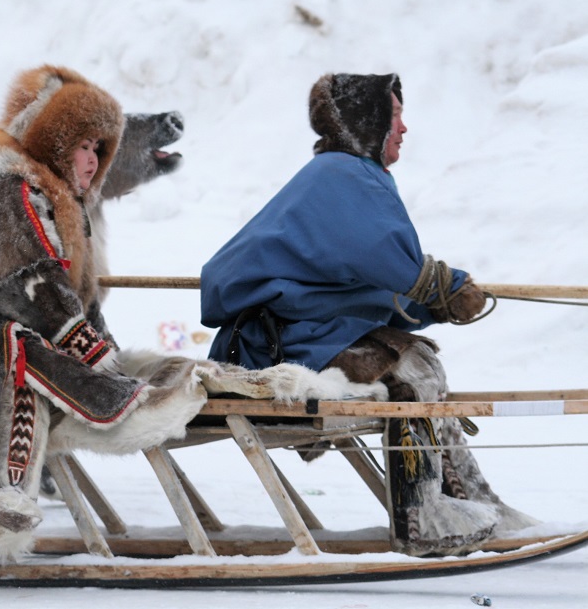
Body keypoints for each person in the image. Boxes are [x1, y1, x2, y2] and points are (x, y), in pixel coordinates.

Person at [0, 65, 384, 603]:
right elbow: (37, 295)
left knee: (27, 358)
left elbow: (76, 307)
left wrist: (110, 356)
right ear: (55, 146)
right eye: (83, 148)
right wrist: (103, 366)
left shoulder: (59, 212)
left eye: (101, 150)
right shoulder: (10, 199)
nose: (93, 163)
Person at [200, 73, 538, 557]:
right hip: (280, 342)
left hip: (307, 331)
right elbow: (391, 260)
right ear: (368, 122)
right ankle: (424, 519)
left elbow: (374, 282)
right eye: (395, 115)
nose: (403, 128)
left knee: (416, 362)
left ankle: (473, 502)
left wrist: (433, 304)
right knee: (413, 370)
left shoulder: (348, 176)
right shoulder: (341, 175)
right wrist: (447, 289)